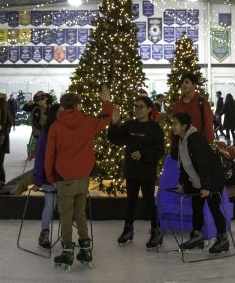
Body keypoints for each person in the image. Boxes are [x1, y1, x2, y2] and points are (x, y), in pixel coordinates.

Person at [46, 86, 115, 270]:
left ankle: (67, 252)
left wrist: (50, 176)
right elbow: (106, 118)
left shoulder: (56, 127)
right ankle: (86, 249)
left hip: (64, 177)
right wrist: (106, 101)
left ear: (62, 106)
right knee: (80, 213)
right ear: (77, 105)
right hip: (83, 176)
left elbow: (50, 155)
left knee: (66, 215)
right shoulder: (87, 122)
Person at [107, 95, 165, 248]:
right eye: (136, 106)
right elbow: (116, 139)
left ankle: (156, 230)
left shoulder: (155, 128)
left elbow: (159, 150)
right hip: (132, 171)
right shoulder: (130, 125)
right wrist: (114, 123)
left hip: (147, 172)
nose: (138, 109)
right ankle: (128, 229)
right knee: (130, 201)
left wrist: (143, 153)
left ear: (149, 109)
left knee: (149, 201)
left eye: (141, 107)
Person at [171, 112, 230, 254]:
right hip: (197, 181)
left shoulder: (196, 139)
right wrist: (182, 182)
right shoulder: (181, 140)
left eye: (175, 124)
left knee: (214, 207)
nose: (172, 127)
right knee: (196, 207)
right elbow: (185, 164)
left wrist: (206, 187)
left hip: (212, 179)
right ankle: (197, 236)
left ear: (184, 126)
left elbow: (203, 164)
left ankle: (223, 239)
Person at [33, 103, 62, 249]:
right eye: (60, 112)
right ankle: (44, 232)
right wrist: (38, 179)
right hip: (48, 176)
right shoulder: (47, 132)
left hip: (64, 176)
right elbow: (40, 156)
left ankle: (65, 234)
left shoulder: (66, 129)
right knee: (50, 205)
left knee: (63, 206)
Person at [170, 73, 214, 152]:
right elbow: (174, 126)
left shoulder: (202, 103)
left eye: (186, 82)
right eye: (182, 83)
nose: (183, 85)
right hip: (181, 146)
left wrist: (208, 145)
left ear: (194, 85)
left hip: (198, 146)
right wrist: (173, 144)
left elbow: (208, 126)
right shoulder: (177, 105)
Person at [25, 92, 49, 160]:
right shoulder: (37, 109)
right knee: (38, 147)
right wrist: (42, 129)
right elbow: (35, 121)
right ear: (40, 101)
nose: (45, 102)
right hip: (38, 132)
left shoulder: (40, 108)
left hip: (39, 132)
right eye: (44, 100)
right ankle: (32, 153)